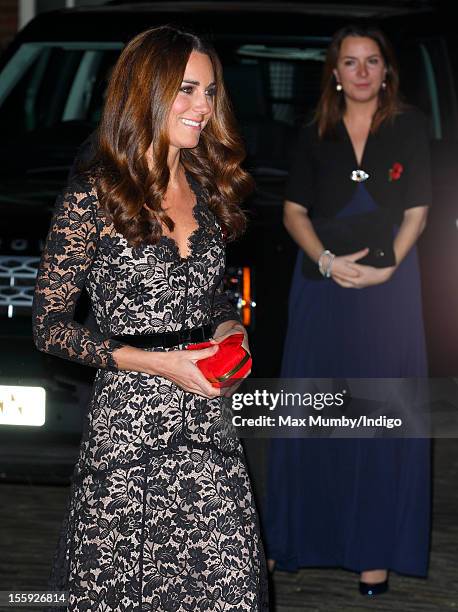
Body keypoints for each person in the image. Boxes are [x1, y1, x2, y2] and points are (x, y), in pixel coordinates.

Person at [33, 26, 268, 611]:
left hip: (207, 423)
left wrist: (227, 328)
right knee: (124, 590)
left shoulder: (207, 183)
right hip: (130, 426)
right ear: (146, 92)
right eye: (186, 90)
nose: (202, 108)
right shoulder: (96, 192)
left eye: (211, 92)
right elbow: (50, 324)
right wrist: (158, 364)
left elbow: (209, 296)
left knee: (228, 586)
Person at [264, 24, 431, 595]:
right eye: (350, 63)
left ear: (387, 72)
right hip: (321, 288)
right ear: (333, 73)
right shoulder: (312, 133)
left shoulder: (408, 127)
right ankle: (299, 541)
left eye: (372, 62)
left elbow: (417, 213)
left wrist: (388, 268)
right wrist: (330, 263)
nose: (361, 72)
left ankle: (373, 554)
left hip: (390, 292)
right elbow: (293, 214)